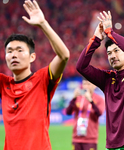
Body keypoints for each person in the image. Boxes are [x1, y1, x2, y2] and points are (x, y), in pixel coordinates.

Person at [0, 0, 70, 150]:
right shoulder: (3, 83)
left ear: (32, 57)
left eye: (19, 50)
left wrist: (43, 24)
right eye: (9, 51)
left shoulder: (42, 79)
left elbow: (64, 55)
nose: (13, 55)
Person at [76, 11, 124, 150]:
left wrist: (110, 32)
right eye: (109, 53)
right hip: (112, 145)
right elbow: (81, 67)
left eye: (116, 51)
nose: (112, 56)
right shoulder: (107, 79)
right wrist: (96, 38)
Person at [66, 78, 105, 150]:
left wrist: (90, 100)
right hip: (76, 138)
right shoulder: (78, 97)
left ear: (94, 86)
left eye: (88, 84)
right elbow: (68, 112)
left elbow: (99, 113)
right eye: (84, 84)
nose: (86, 86)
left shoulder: (99, 99)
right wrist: (74, 98)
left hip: (90, 139)